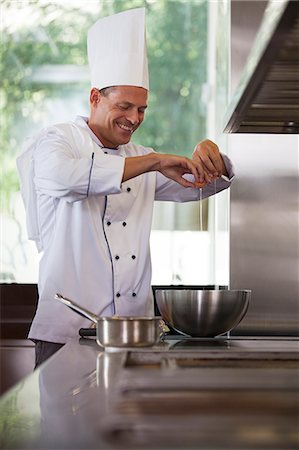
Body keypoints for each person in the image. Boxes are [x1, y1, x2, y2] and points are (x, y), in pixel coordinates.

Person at [16, 8, 234, 367]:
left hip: (134, 333)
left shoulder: (141, 156)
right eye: (125, 106)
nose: (134, 118)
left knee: (129, 425)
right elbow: (67, 178)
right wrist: (153, 161)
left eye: (142, 109)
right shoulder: (57, 141)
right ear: (95, 98)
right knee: (65, 425)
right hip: (68, 334)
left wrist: (215, 158)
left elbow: (199, 184)